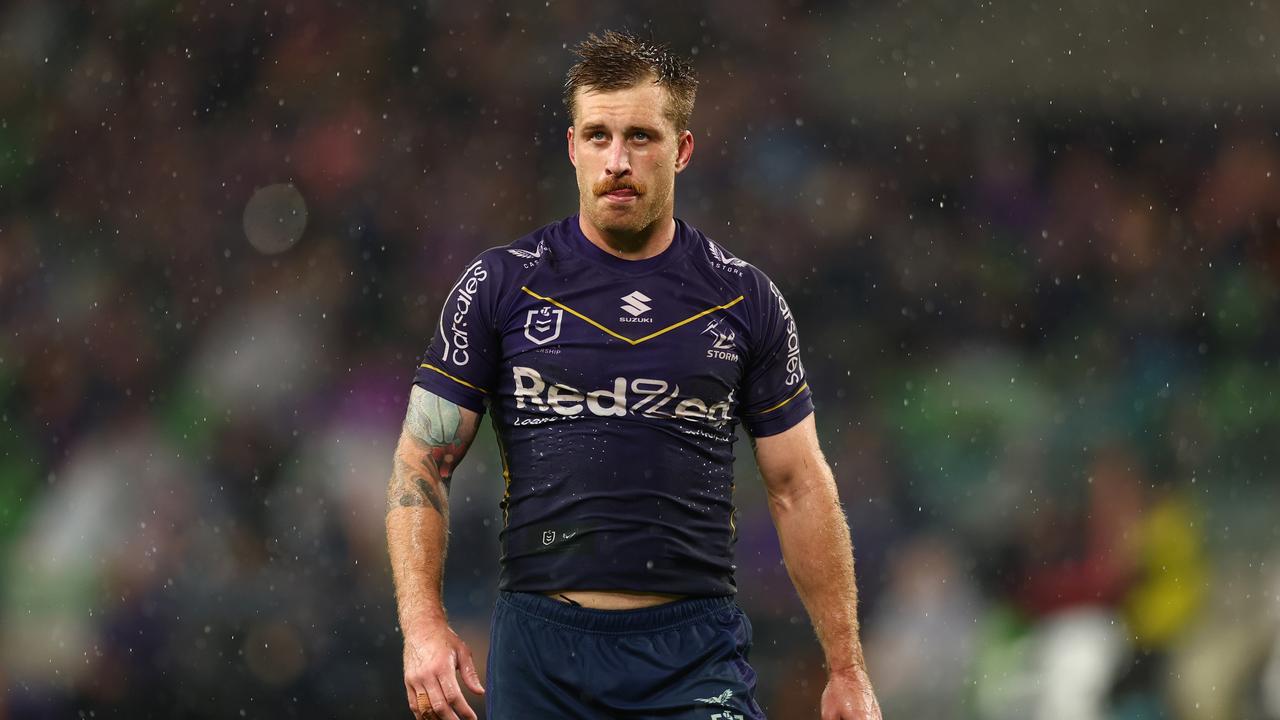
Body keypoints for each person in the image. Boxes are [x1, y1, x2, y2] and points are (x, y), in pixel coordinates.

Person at [386, 30, 882, 720]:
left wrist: (847, 669)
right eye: (597, 136)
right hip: (542, 651)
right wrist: (423, 628)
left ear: (681, 149)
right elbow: (423, 458)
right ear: (571, 147)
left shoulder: (745, 299)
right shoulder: (500, 286)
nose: (617, 161)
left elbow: (799, 484)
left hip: (691, 655)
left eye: (641, 137)